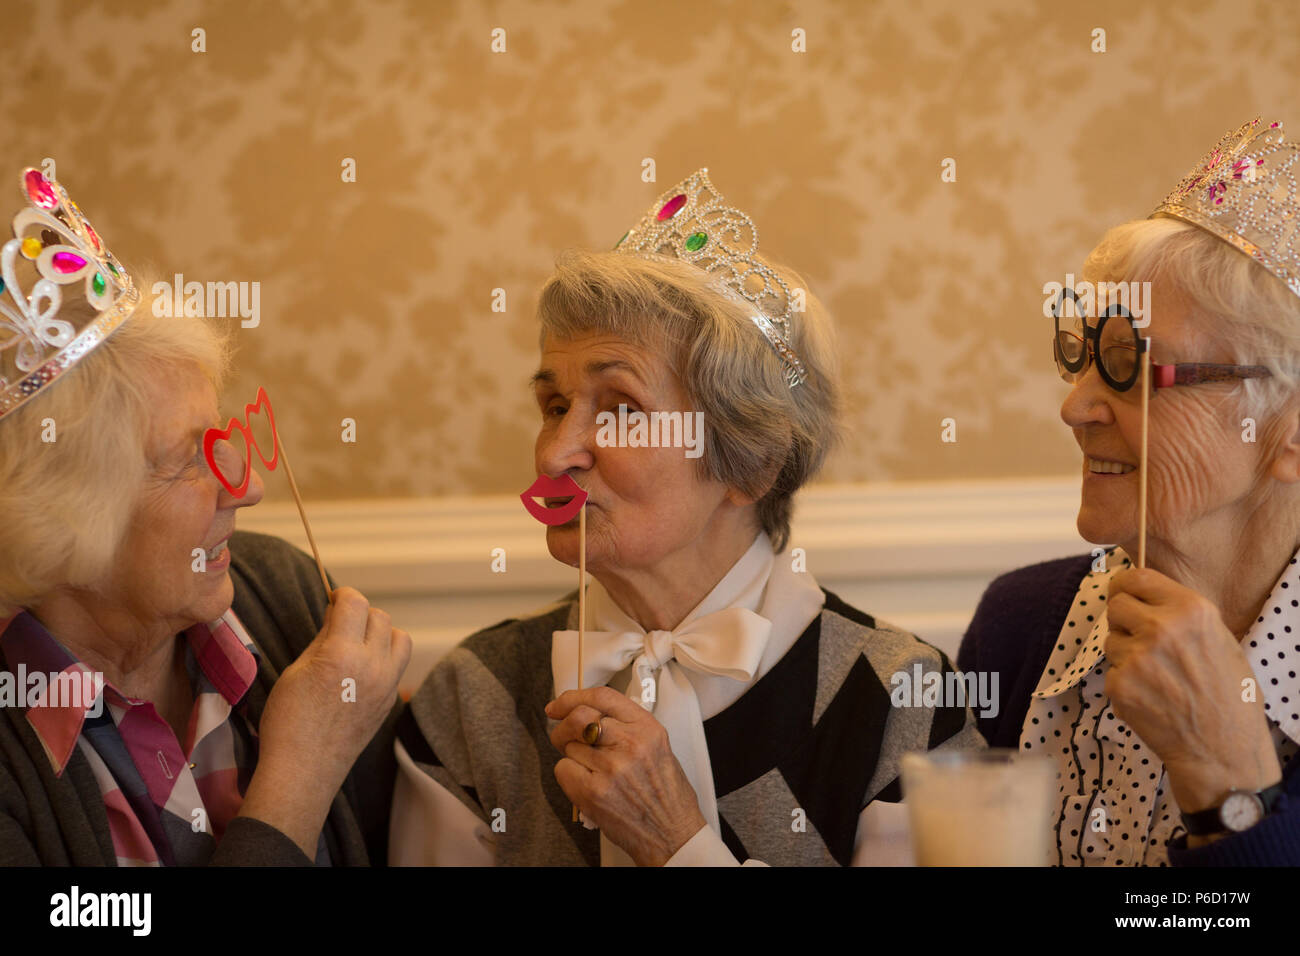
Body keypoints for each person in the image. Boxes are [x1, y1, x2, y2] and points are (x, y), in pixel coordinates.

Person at [391, 169, 984, 866]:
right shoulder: (472, 695)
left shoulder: (902, 702)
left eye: (620, 409)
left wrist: (679, 848)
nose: (555, 453)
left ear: (750, 465)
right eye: (555, 407)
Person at [0, 166, 410, 865]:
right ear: (63, 512)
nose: (245, 489)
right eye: (190, 460)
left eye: (221, 439)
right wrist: (297, 778)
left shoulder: (283, 590)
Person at [959, 119, 1300, 865]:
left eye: (1132, 366)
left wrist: (1234, 787)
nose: (1075, 407)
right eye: (1082, 356)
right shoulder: (1021, 630)